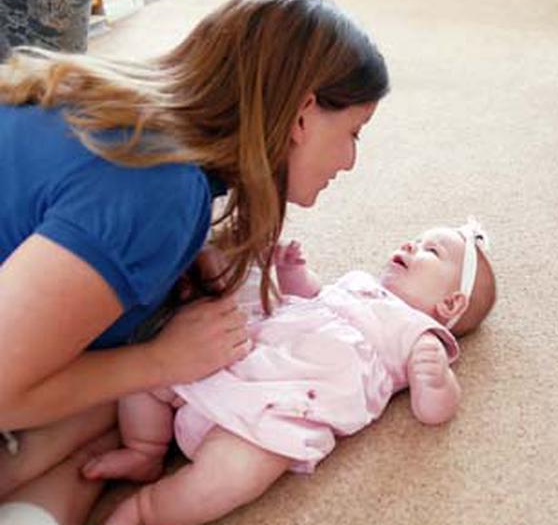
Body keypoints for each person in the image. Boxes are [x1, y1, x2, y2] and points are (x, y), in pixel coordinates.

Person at [0, 0, 389, 525]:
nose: (349, 161)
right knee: (137, 389)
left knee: (136, 392)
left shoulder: (133, 121)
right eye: (353, 133)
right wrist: (160, 362)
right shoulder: (160, 190)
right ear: (302, 115)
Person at [79, 222, 497, 525]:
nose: (410, 243)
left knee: (232, 477)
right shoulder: (358, 282)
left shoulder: (418, 332)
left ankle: (148, 510)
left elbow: (433, 410)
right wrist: (292, 271)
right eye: (418, 238)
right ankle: (145, 451)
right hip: (244, 355)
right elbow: (311, 295)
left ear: (449, 305)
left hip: (279, 413)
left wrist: (435, 379)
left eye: (430, 251)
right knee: (150, 373)